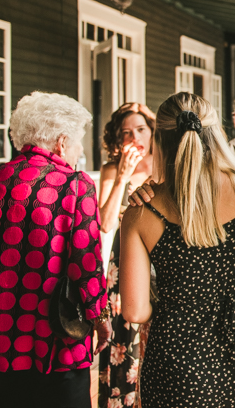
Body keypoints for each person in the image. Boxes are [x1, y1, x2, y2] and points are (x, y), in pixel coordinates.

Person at [118, 92, 235, 407]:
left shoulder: (143, 210)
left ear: (161, 141)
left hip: (175, 360)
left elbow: (134, 311)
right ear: (216, 134)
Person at [0, 92, 111, 408]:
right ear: (61, 142)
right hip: (54, 342)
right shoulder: (76, 185)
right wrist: (99, 316)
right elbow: (86, 262)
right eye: (79, 142)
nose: (79, 152)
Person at [96, 102, 155, 408]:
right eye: (126, 133)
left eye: (141, 130)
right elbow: (104, 223)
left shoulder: (163, 164)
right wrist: (122, 176)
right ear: (117, 140)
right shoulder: (111, 169)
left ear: (153, 132)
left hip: (157, 263)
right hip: (122, 266)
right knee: (123, 345)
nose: (135, 138)